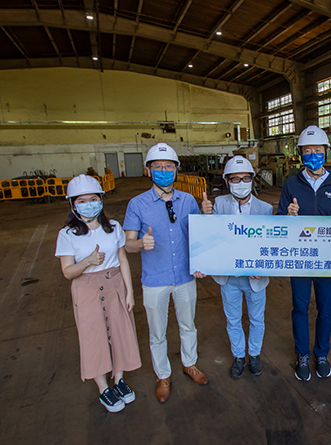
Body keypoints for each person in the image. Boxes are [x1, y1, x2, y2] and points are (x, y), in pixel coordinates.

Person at [123, 143, 208, 404]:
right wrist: (140, 244)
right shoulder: (137, 204)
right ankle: (163, 375)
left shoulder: (189, 200)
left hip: (184, 276)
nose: (163, 171)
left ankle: (190, 363)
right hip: (155, 279)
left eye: (168, 166)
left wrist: (207, 216)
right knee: (157, 332)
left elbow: (199, 235)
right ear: (148, 171)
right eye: (157, 167)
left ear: (176, 170)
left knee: (188, 325)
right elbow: (128, 243)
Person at [55, 174, 141, 413]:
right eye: (81, 201)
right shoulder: (67, 234)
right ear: (73, 204)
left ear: (101, 200)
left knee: (120, 331)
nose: (88, 204)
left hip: (114, 283)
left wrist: (129, 292)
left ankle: (119, 380)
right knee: (94, 337)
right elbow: (68, 272)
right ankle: (104, 388)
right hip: (86, 288)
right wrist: (88, 262)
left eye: (93, 198)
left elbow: (123, 259)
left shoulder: (113, 227)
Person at [276, 125, 331, 382]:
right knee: (299, 307)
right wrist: (289, 216)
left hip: (327, 261)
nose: (313, 155)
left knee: (325, 309)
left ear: (326, 152)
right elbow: (278, 223)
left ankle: (321, 354)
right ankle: (302, 355)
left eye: (317, 150)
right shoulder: (291, 184)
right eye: (307, 151)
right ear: (300, 155)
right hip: (299, 259)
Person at [199, 155, 273, 379]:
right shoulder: (217, 205)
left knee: (256, 319)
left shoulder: (266, 208)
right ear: (227, 181)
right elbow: (209, 236)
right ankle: (239, 356)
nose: (240, 183)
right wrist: (205, 216)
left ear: (252, 179)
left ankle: (255, 354)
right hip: (228, 277)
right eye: (235, 179)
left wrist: (262, 267)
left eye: (245, 178)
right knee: (232, 319)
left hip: (255, 277)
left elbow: (271, 244)